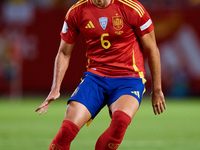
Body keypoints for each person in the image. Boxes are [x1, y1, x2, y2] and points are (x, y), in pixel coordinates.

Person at [35, 0, 167, 149]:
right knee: (67, 130)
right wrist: (55, 87)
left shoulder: (132, 8)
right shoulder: (76, 11)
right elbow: (64, 53)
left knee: (120, 121)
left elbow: (152, 49)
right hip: (95, 78)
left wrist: (156, 90)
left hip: (129, 78)